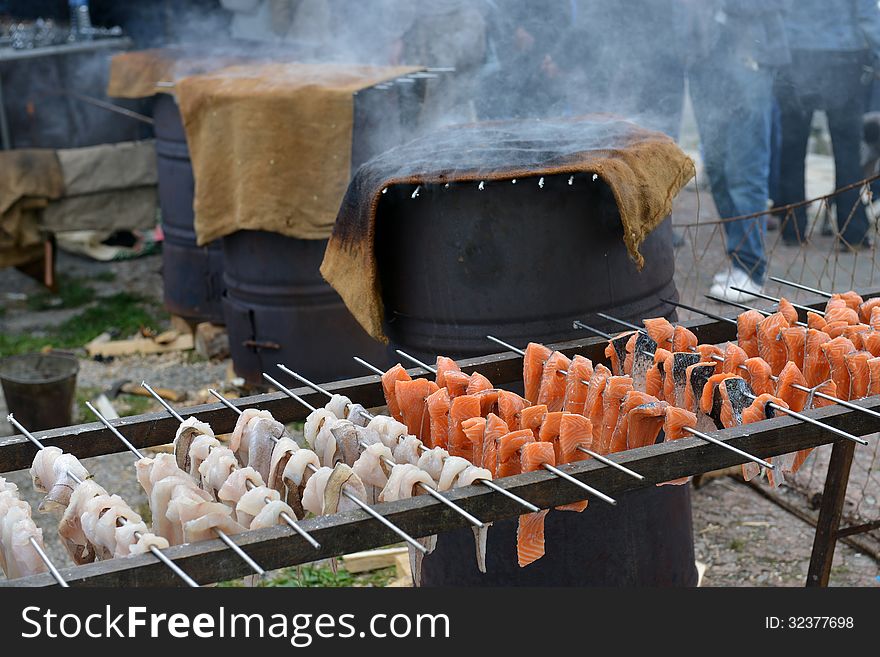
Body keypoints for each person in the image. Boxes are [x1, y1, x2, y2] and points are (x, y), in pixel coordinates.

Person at [686, 0, 790, 302]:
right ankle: (739, 260)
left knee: (745, 168)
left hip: (750, 56)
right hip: (704, 58)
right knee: (716, 169)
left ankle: (751, 268)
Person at [774, 0, 880, 250]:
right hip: (843, 55)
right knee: (847, 151)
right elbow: (865, 11)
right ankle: (852, 233)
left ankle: (793, 229)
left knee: (792, 148)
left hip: (795, 54)